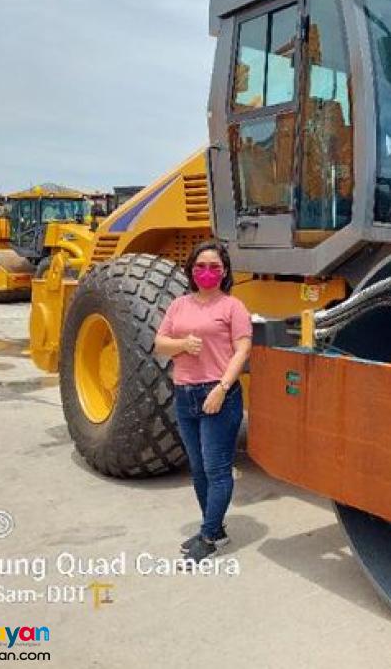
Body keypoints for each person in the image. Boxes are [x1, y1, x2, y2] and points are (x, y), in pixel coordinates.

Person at [154, 240, 252, 561]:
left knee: (216, 468)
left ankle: (208, 537)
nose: (206, 272)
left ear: (224, 273)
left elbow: (243, 350)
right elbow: (160, 344)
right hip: (185, 394)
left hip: (218, 395)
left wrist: (222, 388)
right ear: (191, 270)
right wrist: (182, 343)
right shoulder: (179, 305)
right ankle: (217, 529)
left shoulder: (232, 307)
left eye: (214, 267)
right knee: (197, 468)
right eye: (200, 266)